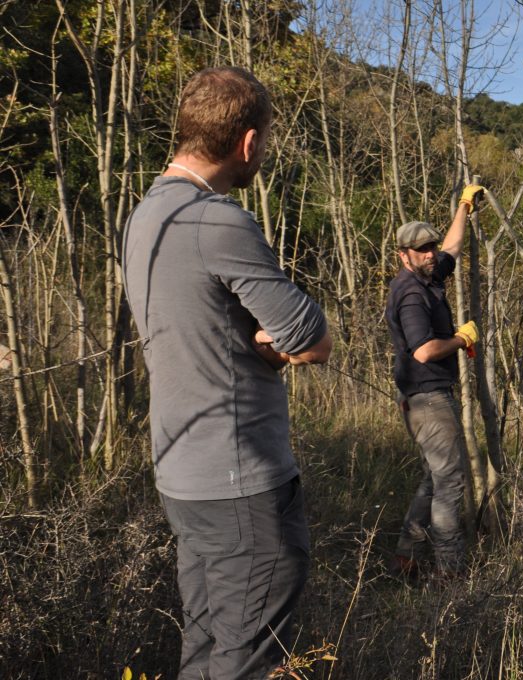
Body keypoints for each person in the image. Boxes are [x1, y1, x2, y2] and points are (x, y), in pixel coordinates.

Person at [122, 66, 332, 679]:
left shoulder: (143, 218)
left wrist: (255, 342)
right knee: (246, 662)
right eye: (264, 140)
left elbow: (200, 328)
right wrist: (276, 346)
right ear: (247, 142)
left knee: (208, 648)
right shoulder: (218, 221)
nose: (262, 151)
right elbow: (312, 339)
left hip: (184, 476)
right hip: (241, 484)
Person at [385, 184, 484, 579]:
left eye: (431, 247)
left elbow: (454, 249)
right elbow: (424, 351)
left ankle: (406, 558)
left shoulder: (427, 274)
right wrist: (463, 339)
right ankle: (451, 571)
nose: (430, 254)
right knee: (449, 483)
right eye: (422, 250)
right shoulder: (411, 293)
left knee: (434, 478)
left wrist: (464, 205)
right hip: (428, 399)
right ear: (403, 255)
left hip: (425, 397)